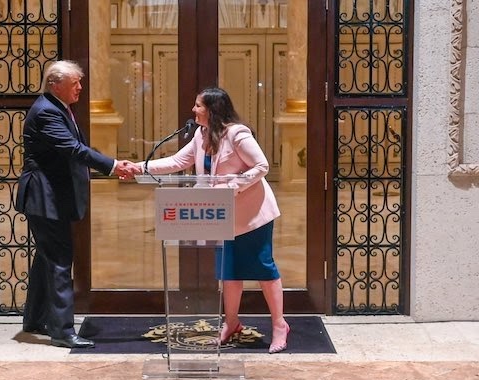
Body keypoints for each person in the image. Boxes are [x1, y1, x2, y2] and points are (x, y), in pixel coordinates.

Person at [137, 87, 290, 354]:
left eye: (198, 106)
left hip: (252, 214)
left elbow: (262, 166)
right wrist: (140, 167)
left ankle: (279, 325)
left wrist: (232, 186)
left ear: (212, 109)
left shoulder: (238, 134)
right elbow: (177, 161)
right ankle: (231, 323)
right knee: (229, 271)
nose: (193, 110)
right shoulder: (201, 134)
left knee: (263, 268)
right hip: (221, 215)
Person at [15, 60, 140, 348]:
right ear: (55, 84)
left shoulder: (56, 107)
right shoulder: (47, 112)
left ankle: (34, 320)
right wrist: (112, 165)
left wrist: (108, 165)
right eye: (76, 84)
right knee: (59, 259)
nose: (81, 88)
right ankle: (62, 331)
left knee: (46, 257)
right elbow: (73, 149)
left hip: (49, 196)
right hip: (44, 196)